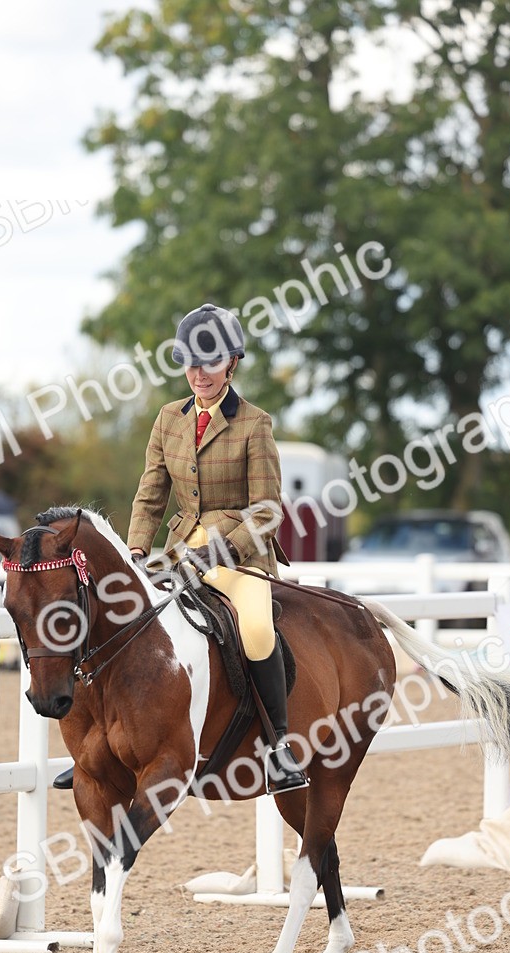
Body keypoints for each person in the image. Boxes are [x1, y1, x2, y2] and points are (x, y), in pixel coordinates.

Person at [53, 302, 307, 795]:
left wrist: (217, 554)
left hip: (240, 559)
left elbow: (267, 511)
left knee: (255, 628)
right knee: (115, 617)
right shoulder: (168, 419)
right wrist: (133, 555)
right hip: (176, 550)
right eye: (190, 363)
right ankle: (97, 747)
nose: (198, 373)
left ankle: (279, 744)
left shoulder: (255, 424)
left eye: (209, 363)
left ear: (231, 362)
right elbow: (150, 494)